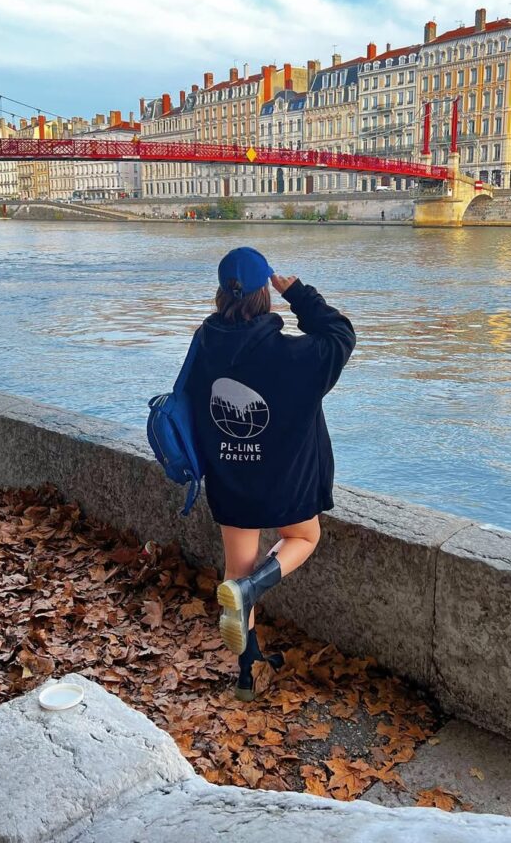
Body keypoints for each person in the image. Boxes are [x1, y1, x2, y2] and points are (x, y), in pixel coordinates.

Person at [183, 247, 355, 700]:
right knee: (304, 538)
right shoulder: (296, 355)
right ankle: (251, 587)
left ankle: (247, 671)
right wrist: (299, 293)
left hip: (230, 476)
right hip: (284, 483)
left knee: (235, 564)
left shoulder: (204, 342)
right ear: (266, 294)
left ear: (222, 294)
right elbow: (340, 333)